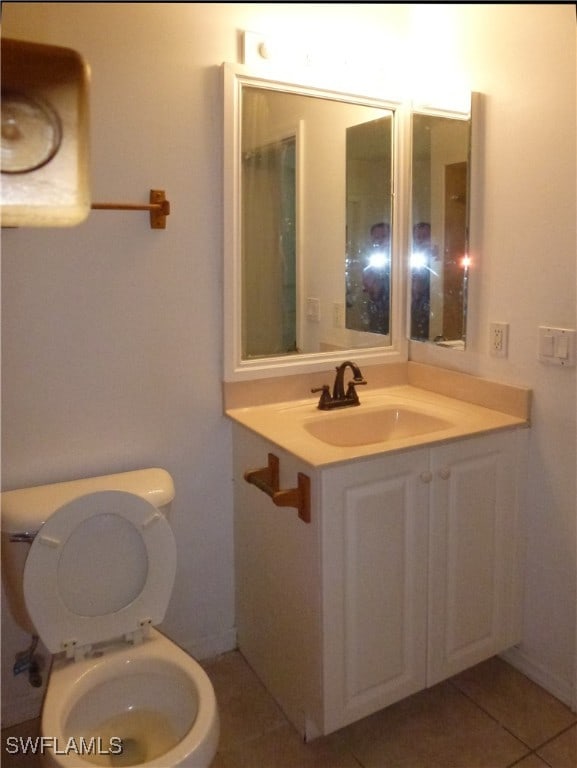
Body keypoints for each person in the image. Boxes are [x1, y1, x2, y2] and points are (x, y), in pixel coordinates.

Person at [362, 222, 390, 334]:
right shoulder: (369, 260)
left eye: (384, 236)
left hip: (400, 315)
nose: (380, 241)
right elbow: (374, 291)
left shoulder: (402, 258)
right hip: (377, 312)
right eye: (376, 238)